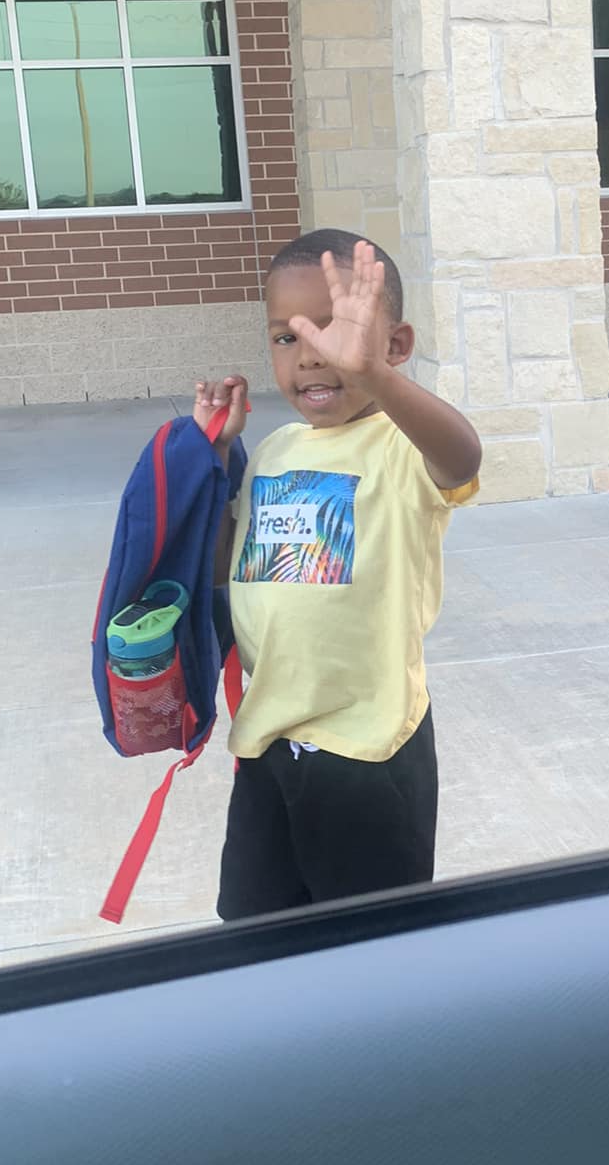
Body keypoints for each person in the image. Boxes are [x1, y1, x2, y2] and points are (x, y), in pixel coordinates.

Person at [193, 229, 481, 920]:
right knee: (254, 926)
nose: (312, 353)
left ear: (396, 344)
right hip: (269, 739)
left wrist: (375, 377)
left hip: (369, 752)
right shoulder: (275, 450)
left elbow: (463, 458)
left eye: (335, 329)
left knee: (372, 943)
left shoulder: (402, 447)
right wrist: (214, 457)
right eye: (285, 337)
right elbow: (227, 569)